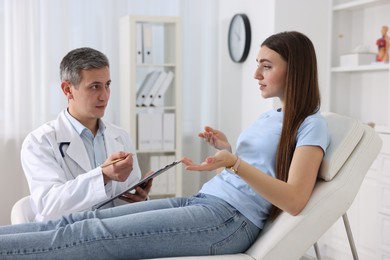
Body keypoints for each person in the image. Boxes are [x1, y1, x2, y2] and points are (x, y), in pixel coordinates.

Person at [0, 31, 329, 259]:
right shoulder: (273, 116)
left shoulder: (312, 124)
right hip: (204, 201)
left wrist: (233, 163)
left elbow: (295, 200)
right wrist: (228, 150)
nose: (256, 73)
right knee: (79, 224)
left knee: (91, 236)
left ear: (294, 70)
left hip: (227, 220)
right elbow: (262, 167)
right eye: (258, 63)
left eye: (266, 65)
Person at [20, 47, 151, 222]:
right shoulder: (40, 141)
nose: (104, 96)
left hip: (115, 233)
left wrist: (139, 199)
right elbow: (48, 205)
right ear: (67, 89)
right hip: (66, 236)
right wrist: (103, 175)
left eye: (107, 85)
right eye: (95, 87)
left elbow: (124, 201)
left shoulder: (120, 136)